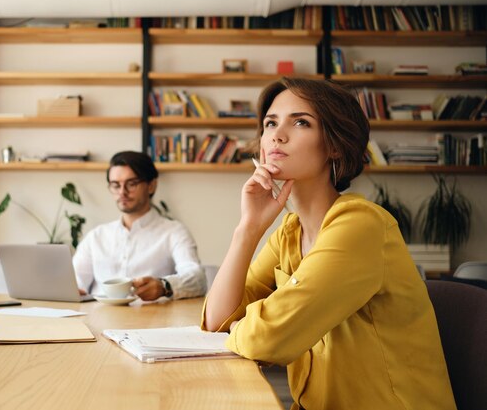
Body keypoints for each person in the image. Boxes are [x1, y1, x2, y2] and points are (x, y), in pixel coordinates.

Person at [203, 78, 456, 410]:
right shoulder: (288, 232)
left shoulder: (360, 225)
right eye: (270, 123)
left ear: (335, 145)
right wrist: (248, 229)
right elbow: (216, 322)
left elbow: (267, 339)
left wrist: (244, 326)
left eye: (301, 122)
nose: (278, 135)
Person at [74, 151, 206, 301]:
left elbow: (198, 279)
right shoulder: (96, 236)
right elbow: (74, 283)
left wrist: (164, 286)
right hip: (96, 319)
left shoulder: (174, 232)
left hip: (154, 320)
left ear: (151, 186)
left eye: (131, 184)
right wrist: (72, 291)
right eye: (115, 185)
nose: (122, 192)